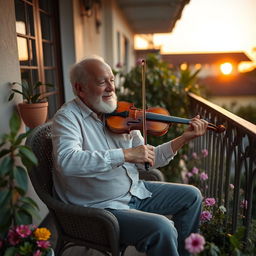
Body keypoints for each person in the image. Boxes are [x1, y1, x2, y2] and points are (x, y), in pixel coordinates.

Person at [52, 56, 208, 256]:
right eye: (102, 82)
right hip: (101, 209)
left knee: (192, 196)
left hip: (134, 192)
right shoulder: (67, 118)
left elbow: (149, 160)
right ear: (80, 89)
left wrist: (183, 138)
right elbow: (67, 162)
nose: (111, 88)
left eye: (112, 80)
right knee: (163, 228)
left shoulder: (121, 114)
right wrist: (125, 154)